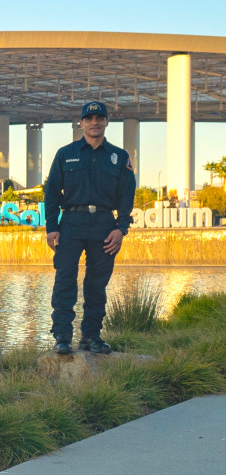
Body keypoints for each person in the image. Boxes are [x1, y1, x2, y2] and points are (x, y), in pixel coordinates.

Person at [44, 101, 136, 354]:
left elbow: (127, 197)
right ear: (81, 123)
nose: (94, 122)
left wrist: (121, 229)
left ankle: (91, 337)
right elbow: (51, 193)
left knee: (96, 284)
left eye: (99, 118)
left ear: (107, 122)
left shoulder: (119, 156)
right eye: (89, 118)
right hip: (71, 224)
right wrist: (51, 228)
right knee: (65, 281)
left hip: (105, 226)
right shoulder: (66, 153)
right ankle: (62, 336)